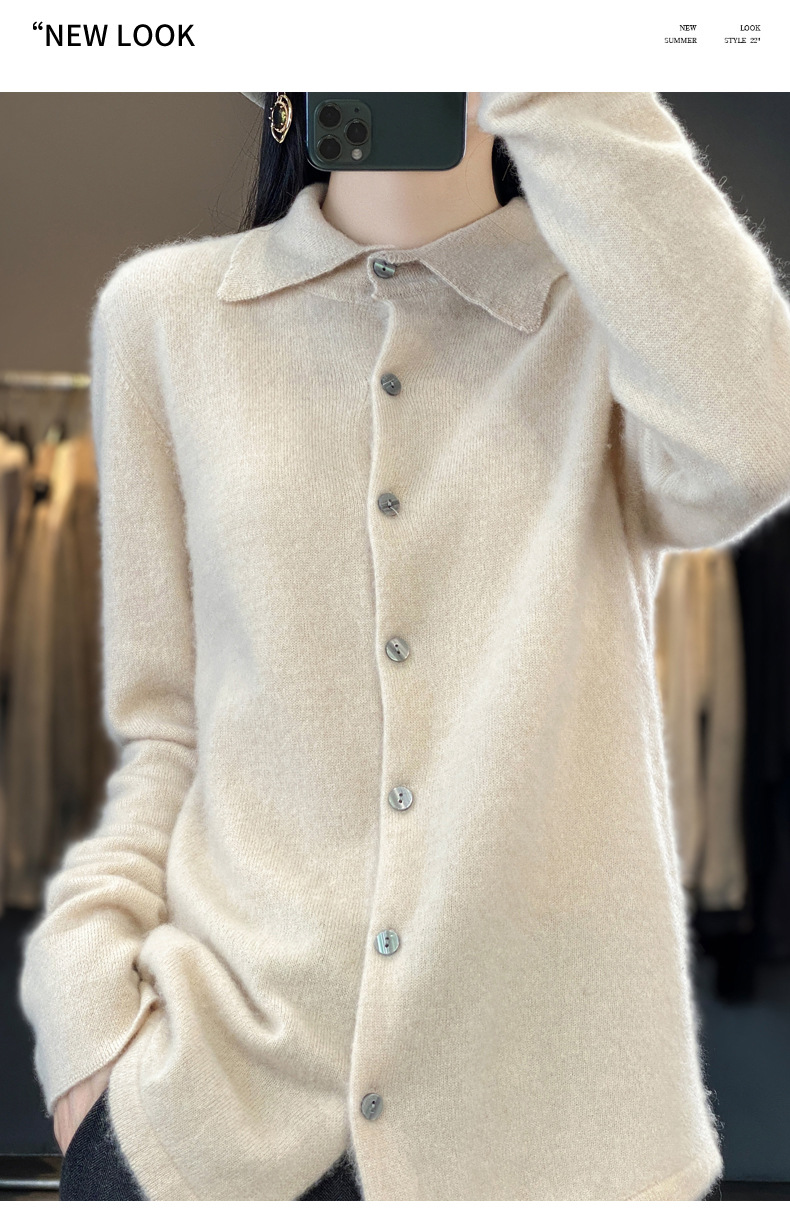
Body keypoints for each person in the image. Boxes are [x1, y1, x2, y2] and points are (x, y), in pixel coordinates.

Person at [18, 91, 790, 1201]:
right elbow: (165, 735)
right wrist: (85, 1013)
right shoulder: (166, 317)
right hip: (211, 1114)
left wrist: (547, 74)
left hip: (552, 1138)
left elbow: (757, 439)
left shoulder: (610, 324)